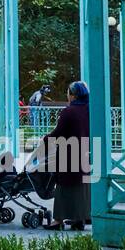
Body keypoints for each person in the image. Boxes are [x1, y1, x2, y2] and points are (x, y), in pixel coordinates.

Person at [31, 80, 91, 231]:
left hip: (67, 153)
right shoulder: (89, 110)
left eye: (69, 93)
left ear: (73, 95)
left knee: (63, 187)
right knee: (81, 186)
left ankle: (58, 220)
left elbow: (59, 132)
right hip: (83, 152)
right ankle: (79, 219)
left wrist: (45, 139)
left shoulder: (68, 112)